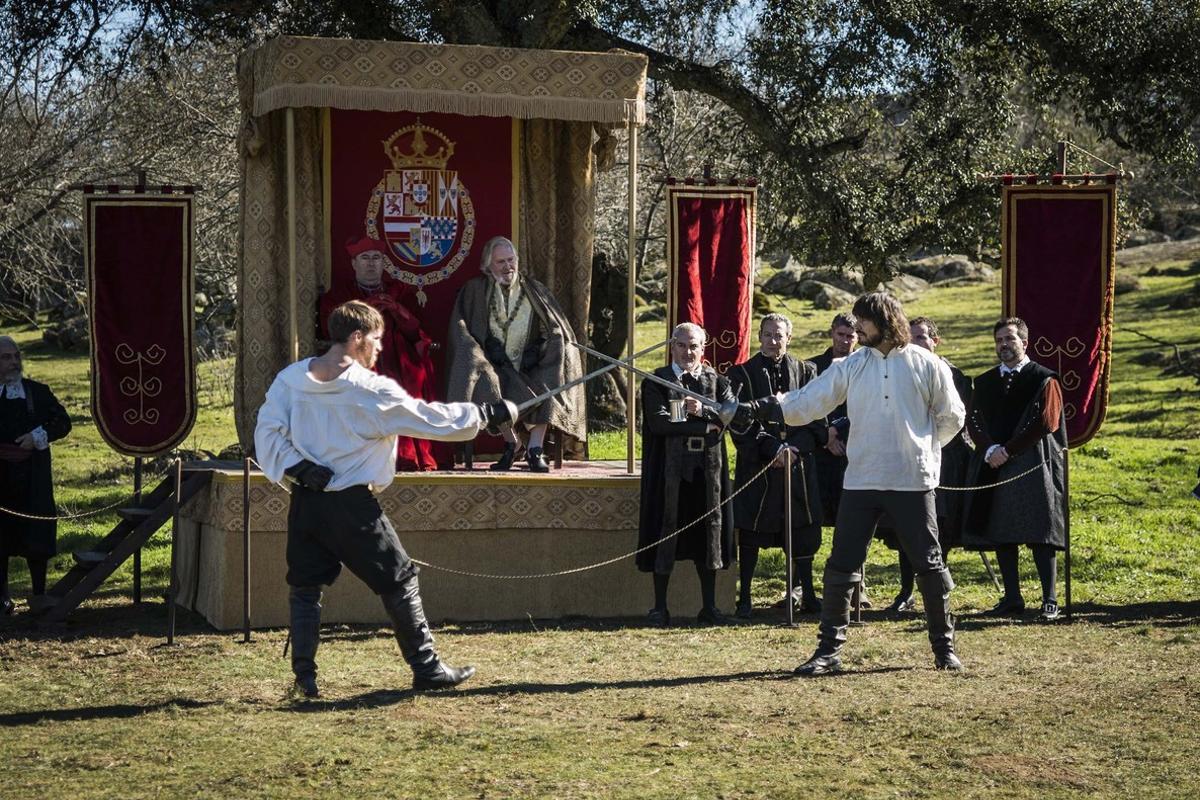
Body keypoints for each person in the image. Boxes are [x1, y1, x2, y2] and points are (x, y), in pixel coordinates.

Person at [255, 300, 516, 697]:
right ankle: (427, 670)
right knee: (399, 580)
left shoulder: (290, 380)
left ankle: (304, 677)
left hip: (306, 503)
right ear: (356, 337)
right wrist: (485, 415)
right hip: (352, 506)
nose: (380, 348)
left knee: (306, 586)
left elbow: (268, 431)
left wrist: (299, 468)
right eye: (376, 340)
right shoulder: (369, 390)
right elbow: (427, 418)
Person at [738, 292, 966, 674]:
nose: (857, 329)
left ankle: (944, 648)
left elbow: (952, 417)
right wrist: (762, 408)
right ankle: (828, 651)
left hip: (912, 481)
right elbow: (810, 401)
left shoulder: (927, 364)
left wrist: (924, 451)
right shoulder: (853, 365)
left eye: (864, 322)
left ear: (885, 320)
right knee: (842, 565)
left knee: (928, 563)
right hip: (861, 479)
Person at [446, 236, 586, 472]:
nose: (507, 267)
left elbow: (555, 328)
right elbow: (462, 329)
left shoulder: (535, 290)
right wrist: (485, 347)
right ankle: (513, 443)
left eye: (511, 260)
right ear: (488, 265)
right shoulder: (475, 290)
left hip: (533, 364)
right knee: (486, 382)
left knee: (551, 375)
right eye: (500, 262)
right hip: (493, 363)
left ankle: (535, 448)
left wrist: (539, 348)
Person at [961, 317, 1067, 621]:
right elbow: (974, 420)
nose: (1003, 345)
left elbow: (1047, 421)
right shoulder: (984, 382)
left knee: (1040, 532)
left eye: (1009, 339)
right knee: (1002, 532)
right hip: (995, 464)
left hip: (1032, 463)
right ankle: (1012, 598)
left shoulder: (1044, 378)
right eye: (999, 340)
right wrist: (990, 449)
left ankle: (1050, 600)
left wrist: (1008, 450)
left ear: (1025, 342)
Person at [637, 322, 736, 626]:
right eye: (681, 345)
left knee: (708, 534)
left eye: (694, 346)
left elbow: (730, 412)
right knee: (665, 531)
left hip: (707, 470)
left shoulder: (717, 380)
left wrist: (704, 412)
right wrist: (703, 423)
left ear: (702, 349)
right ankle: (659, 608)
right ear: (672, 346)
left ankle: (709, 607)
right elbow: (660, 423)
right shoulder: (657, 381)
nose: (687, 352)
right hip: (670, 470)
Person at [728, 313, 826, 618]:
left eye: (778, 336)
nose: (773, 341)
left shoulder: (806, 371)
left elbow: (817, 417)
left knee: (802, 529)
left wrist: (796, 448)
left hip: (798, 464)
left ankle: (807, 592)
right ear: (759, 337)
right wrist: (772, 448)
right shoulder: (741, 374)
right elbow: (739, 420)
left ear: (789, 338)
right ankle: (744, 597)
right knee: (753, 530)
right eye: (767, 335)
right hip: (759, 466)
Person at [873, 316, 973, 614]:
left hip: (947, 460)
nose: (916, 343)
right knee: (907, 525)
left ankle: (937, 588)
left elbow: (958, 420)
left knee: (942, 527)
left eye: (921, 337)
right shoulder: (900, 373)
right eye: (911, 338)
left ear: (934, 341)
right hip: (908, 458)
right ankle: (906, 590)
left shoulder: (955, 376)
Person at [318, 236, 439, 471]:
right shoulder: (339, 294)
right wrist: (369, 307)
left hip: (398, 355)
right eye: (365, 258)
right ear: (354, 263)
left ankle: (410, 455)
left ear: (384, 263)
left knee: (414, 377)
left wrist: (396, 309)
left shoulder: (400, 290)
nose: (371, 263)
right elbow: (332, 329)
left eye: (376, 258)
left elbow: (417, 331)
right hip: (359, 355)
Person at [0, 336, 71, 615]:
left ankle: (39, 594)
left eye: (16, 356)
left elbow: (63, 423)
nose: (14, 362)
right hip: (1, 480)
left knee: (37, 534)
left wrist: (37, 436)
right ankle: (2, 597)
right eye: (6, 358)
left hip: (33, 478)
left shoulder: (38, 392)